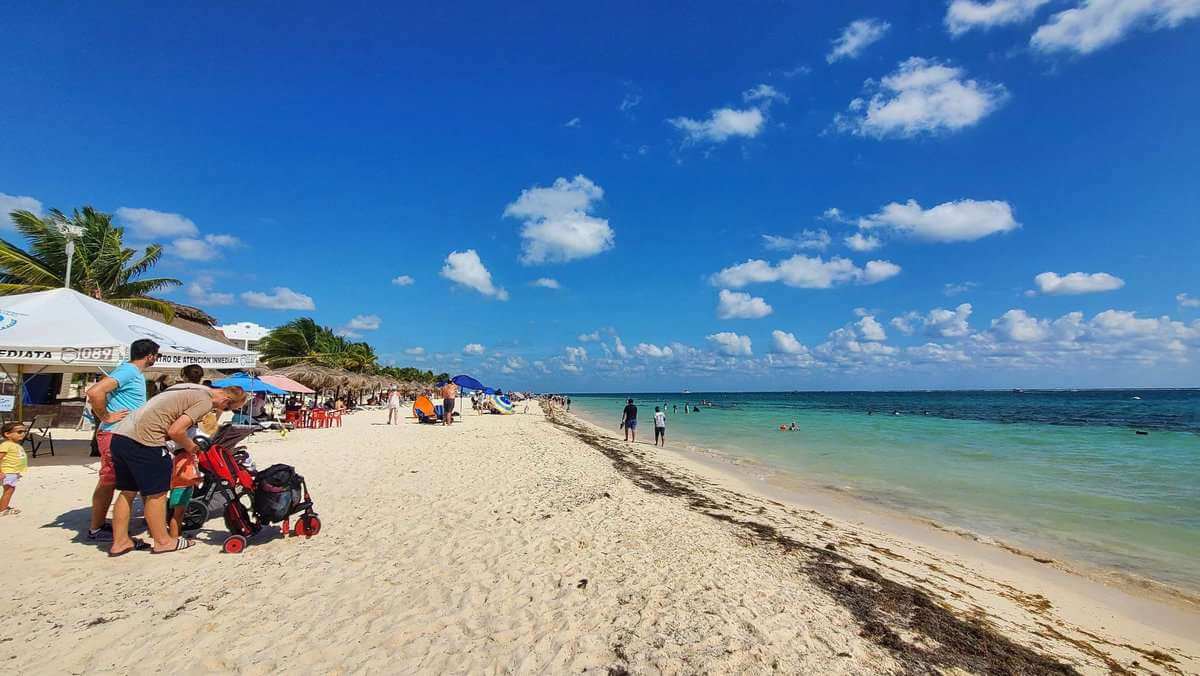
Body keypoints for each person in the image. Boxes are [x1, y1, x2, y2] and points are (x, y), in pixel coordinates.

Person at [108, 385, 247, 556]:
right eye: (227, 408)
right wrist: (191, 447)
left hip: (120, 436)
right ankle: (163, 541)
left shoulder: (189, 388)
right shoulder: (205, 401)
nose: (222, 410)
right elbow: (175, 430)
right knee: (157, 494)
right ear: (226, 400)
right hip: (146, 440)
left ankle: (120, 542)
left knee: (127, 492)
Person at [86, 339, 159, 541]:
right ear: (150, 355)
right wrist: (106, 416)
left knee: (119, 480)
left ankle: (100, 525)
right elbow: (94, 392)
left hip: (124, 433)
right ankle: (96, 528)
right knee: (109, 480)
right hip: (115, 432)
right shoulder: (129, 371)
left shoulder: (129, 371)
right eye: (156, 356)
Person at [166, 443, 201, 538]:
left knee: (180, 514)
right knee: (177, 515)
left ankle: (178, 533)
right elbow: (178, 473)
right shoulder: (182, 457)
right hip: (180, 488)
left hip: (185, 487)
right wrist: (194, 480)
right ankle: (174, 536)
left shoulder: (189, 456)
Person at [0, 422, 28, 516]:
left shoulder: (15, 445)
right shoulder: (6, 445)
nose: (23, 434)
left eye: (24, 431)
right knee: (9, 491)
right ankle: (2, 510)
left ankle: (3, 506)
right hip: (8, 472)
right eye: (19, 432)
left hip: (13, 472)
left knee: (8, 490)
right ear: (7, 434)